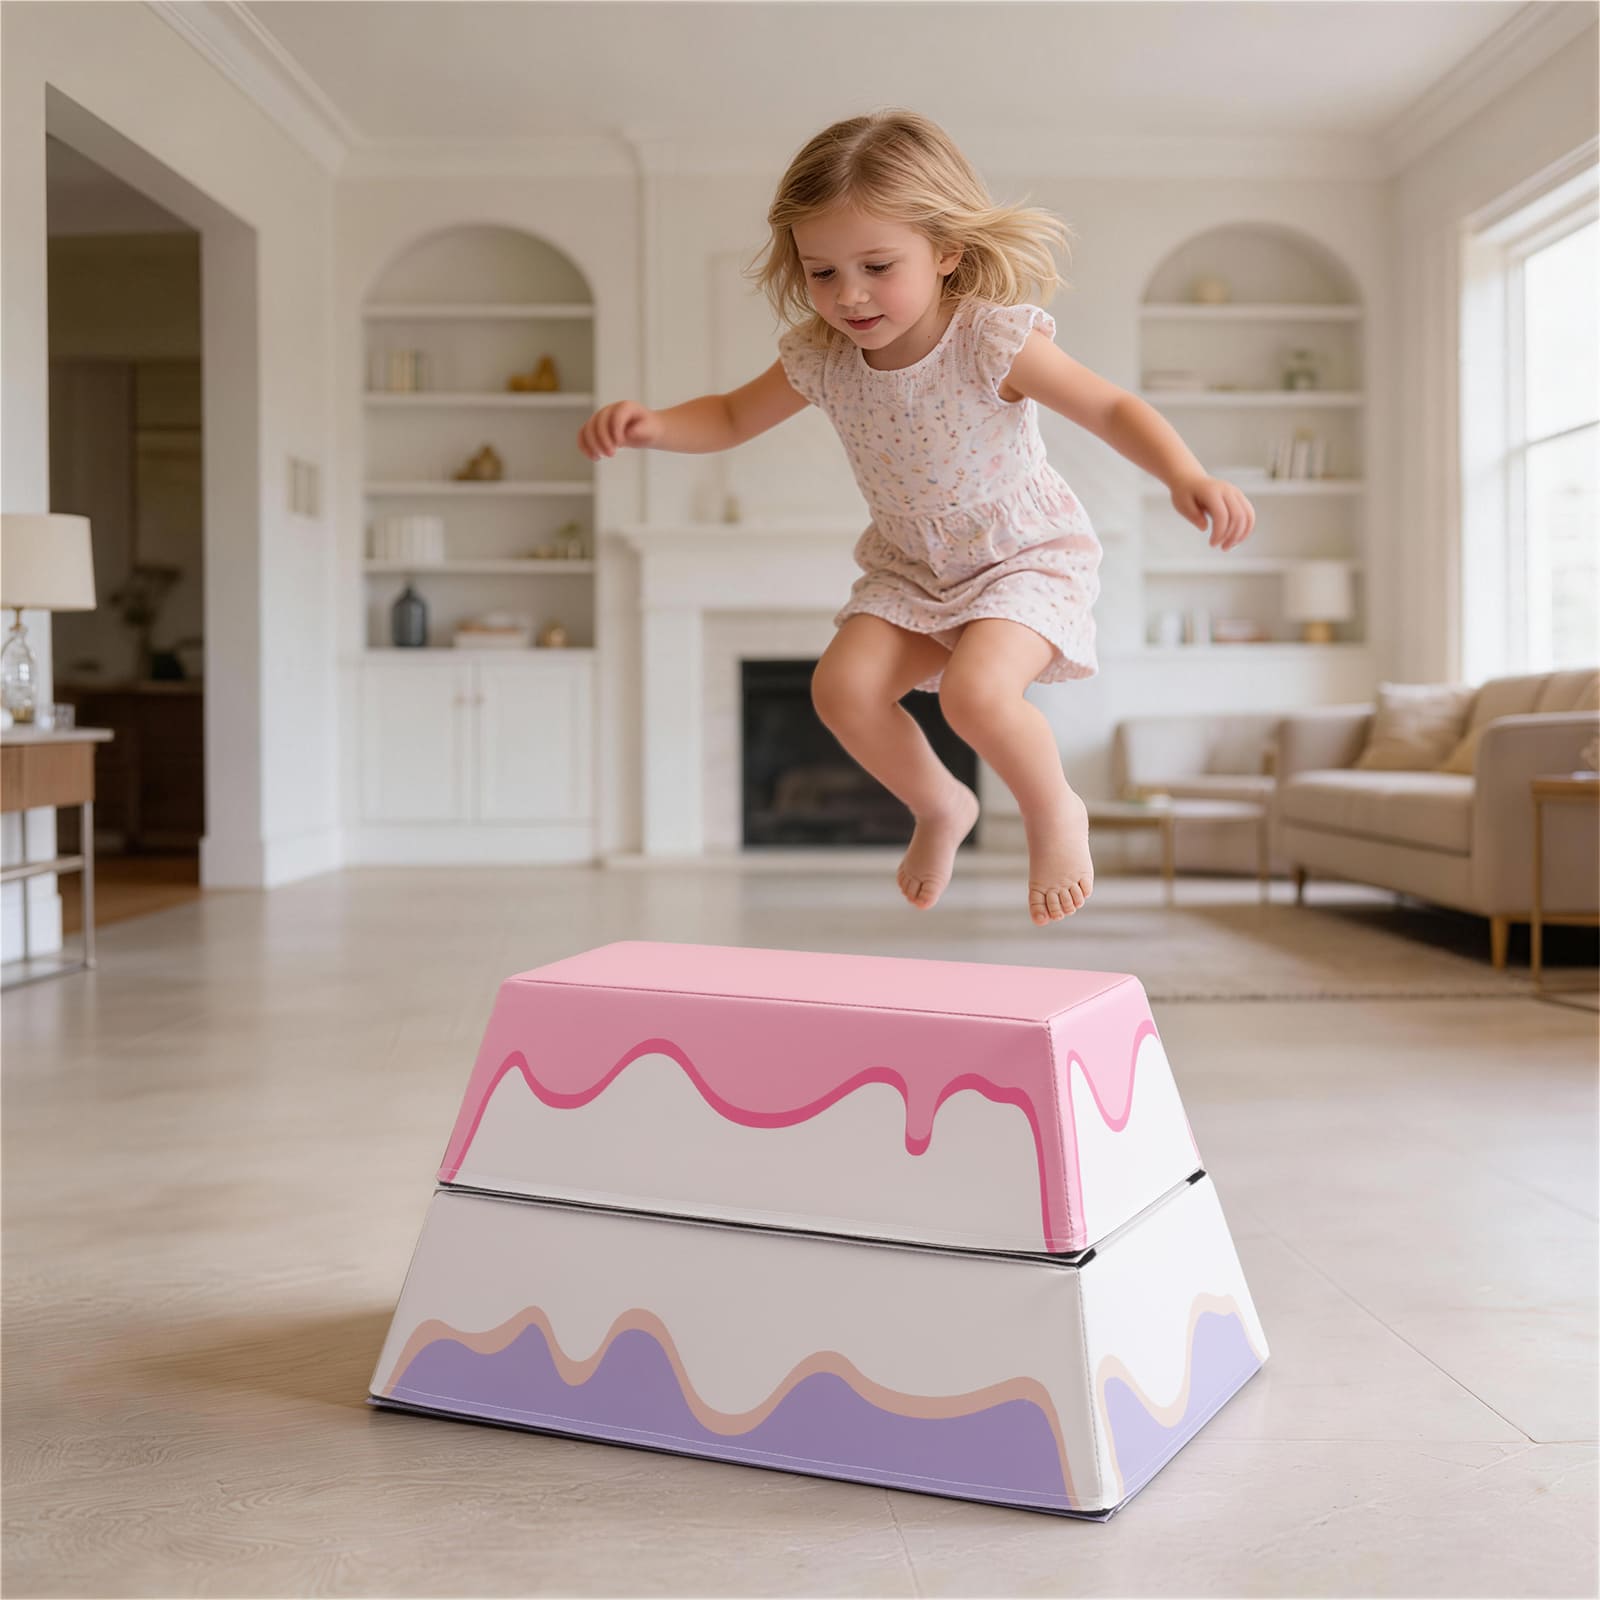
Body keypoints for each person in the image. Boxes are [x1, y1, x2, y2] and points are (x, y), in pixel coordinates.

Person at [578, 109, 1255, 925]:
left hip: (1021, 556)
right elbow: (725, 417)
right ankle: (941, 806)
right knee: (842, 690)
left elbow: (1110, 408)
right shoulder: (820, 357)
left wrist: (1183, 472)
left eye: (876, 265)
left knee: (975, 695)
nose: (849, 294)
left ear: (946, 251)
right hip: (912, 567)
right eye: (822, 272)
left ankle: (1055, 812)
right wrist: (653, 425)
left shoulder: (989, 340)